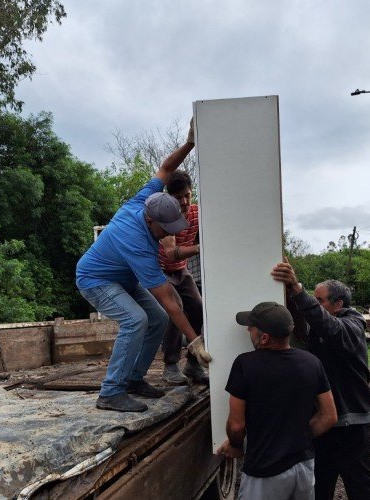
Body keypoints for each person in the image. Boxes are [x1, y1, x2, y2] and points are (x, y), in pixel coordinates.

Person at [76, 120, 211, 413]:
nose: (169, 233)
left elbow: (165, 169)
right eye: (166, 228)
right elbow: (171, 301)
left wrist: (189, 143)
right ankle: (111, 392)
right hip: (95, 280)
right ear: (151, 220)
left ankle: (134, 379)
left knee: (159, 319)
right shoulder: (136, 241)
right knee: (136, 320)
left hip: (121, 278)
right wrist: (195, 341)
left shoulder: (146, 199)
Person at [272, 261, 370, 500]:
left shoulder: (351, 327)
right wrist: (290, 292)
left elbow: (329, 327)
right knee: (319, 486)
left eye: (319, 300)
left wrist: (299, 291)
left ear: (338, 305)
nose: (316, 304)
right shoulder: (320, 327)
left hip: (352, 424)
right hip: (325, 422)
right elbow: (303, 325)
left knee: (360, 488)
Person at [216, 301, 338, 500]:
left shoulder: (245, 364)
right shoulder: (311, 362)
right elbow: (329, 416)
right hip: (304, 467)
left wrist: (236, 446)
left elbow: (237, 425)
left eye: (251, 327)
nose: (248, 329)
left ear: (264, 338)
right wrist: (297, 438)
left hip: (264, 472)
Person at [157, 170, 209, 385]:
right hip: (159, 269)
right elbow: (170, 252)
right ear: (170, 198)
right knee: (174, 309)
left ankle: (193, 364)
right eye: (179, 197)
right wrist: (201, 247)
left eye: (187, 195)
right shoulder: (167, 217)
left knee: (197, 306)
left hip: (181, 269)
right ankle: (170, 365)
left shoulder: (197, 213)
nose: (185, 201)